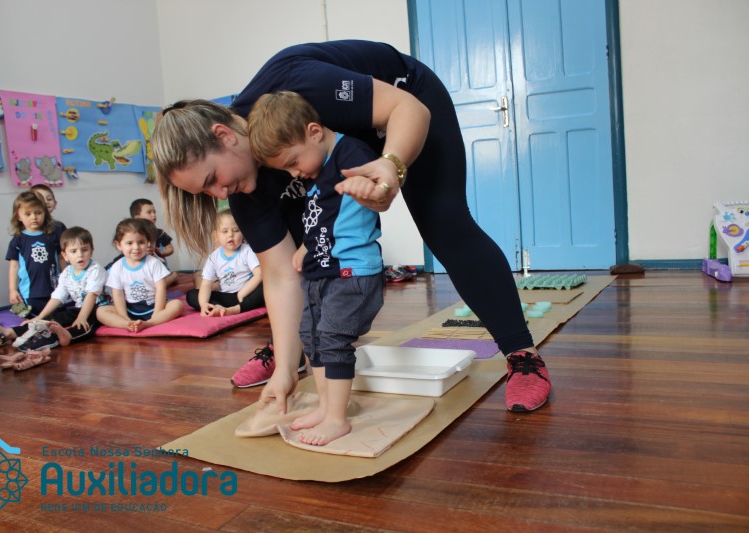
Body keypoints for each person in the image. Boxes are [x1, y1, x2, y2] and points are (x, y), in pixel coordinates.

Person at [152, 40, 550, 414]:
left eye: (212, 180)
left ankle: (522, 353)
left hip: (405, 106)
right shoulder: (242, 189)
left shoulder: (295, 82)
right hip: (327, 156)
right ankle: (290, 350)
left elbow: (408, 109)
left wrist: (391, 165)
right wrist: (285, 371)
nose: (221, 194)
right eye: (207, 193)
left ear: (224, 135)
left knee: (445, 224)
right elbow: (279, 275)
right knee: (310, 254)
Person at [247, 91, 385, 445]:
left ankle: (337, 418)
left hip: (352, 273)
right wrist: (307, 247)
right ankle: (325, 407)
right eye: (287, 170)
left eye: (294, 162)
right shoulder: (317, 169)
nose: (295, 173)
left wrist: (366, 183)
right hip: (321, 272)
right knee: (312, 338)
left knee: (334, 341)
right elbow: (325, 217)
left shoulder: (351, 153)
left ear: (314, 132)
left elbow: (379, 187)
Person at [0, 226, 107, 350]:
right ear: (65, 255)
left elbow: (91, 295)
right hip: (78, 308)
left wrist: (82, 317)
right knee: (50, 320)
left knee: (84, 323)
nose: (80, 255)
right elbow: (58, 296)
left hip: (97, 310)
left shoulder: (96, 269)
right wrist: (40, 317)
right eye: (74, 251)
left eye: (84, 250)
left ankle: (68, 335)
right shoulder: (66, 273)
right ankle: (10, 332)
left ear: (91, 251)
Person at [96, 218, 184, 332]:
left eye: (141, 242)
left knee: (177, 305)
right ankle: (127, 324)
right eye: (129, 243)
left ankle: (151, 323)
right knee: (100, 312)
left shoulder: (153, 263)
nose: (136, 247)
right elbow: (117, 294)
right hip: (130, 309)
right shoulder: (117, 267)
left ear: (148, 242)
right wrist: (124, 317)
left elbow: (161, 288)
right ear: (118, 245)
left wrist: (157, 313)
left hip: (153, 306)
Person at [185, 208, 265, 317]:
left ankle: (236, 309)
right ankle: (216, 307)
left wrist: (242, 293)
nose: (231, 235)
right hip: (227, 297)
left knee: (267, 285)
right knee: (192, 295)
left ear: (243, 232)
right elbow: (206, 284)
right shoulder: (213, 257)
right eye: (225, 231)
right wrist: (203, 304)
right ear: (216, 235)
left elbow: (259, 274)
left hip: (246, 295)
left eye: (236, 230)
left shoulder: (247, 251)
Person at [6, 191, 63, 317]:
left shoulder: (52, 236)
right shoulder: (18, 240)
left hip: (53, 290)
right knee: (25, 314)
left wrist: (66, 280)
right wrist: (12, 290)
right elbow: (13, 266)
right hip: (29, 292)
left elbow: (61, 259)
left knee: (56, 317)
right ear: (18, 217)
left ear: (44, 213)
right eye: (28, 214)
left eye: (38, 213)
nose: (34, 217)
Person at [130, 198, 178, 286]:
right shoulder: (132, 234)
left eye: (154, 212)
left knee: (174, 275)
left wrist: (161, 250)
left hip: (159, 270)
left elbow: (170, 248)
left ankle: (160, 284)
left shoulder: (159, 233)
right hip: (141, 269)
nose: (154, 215)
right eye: (149, 212)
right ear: (137, 218)